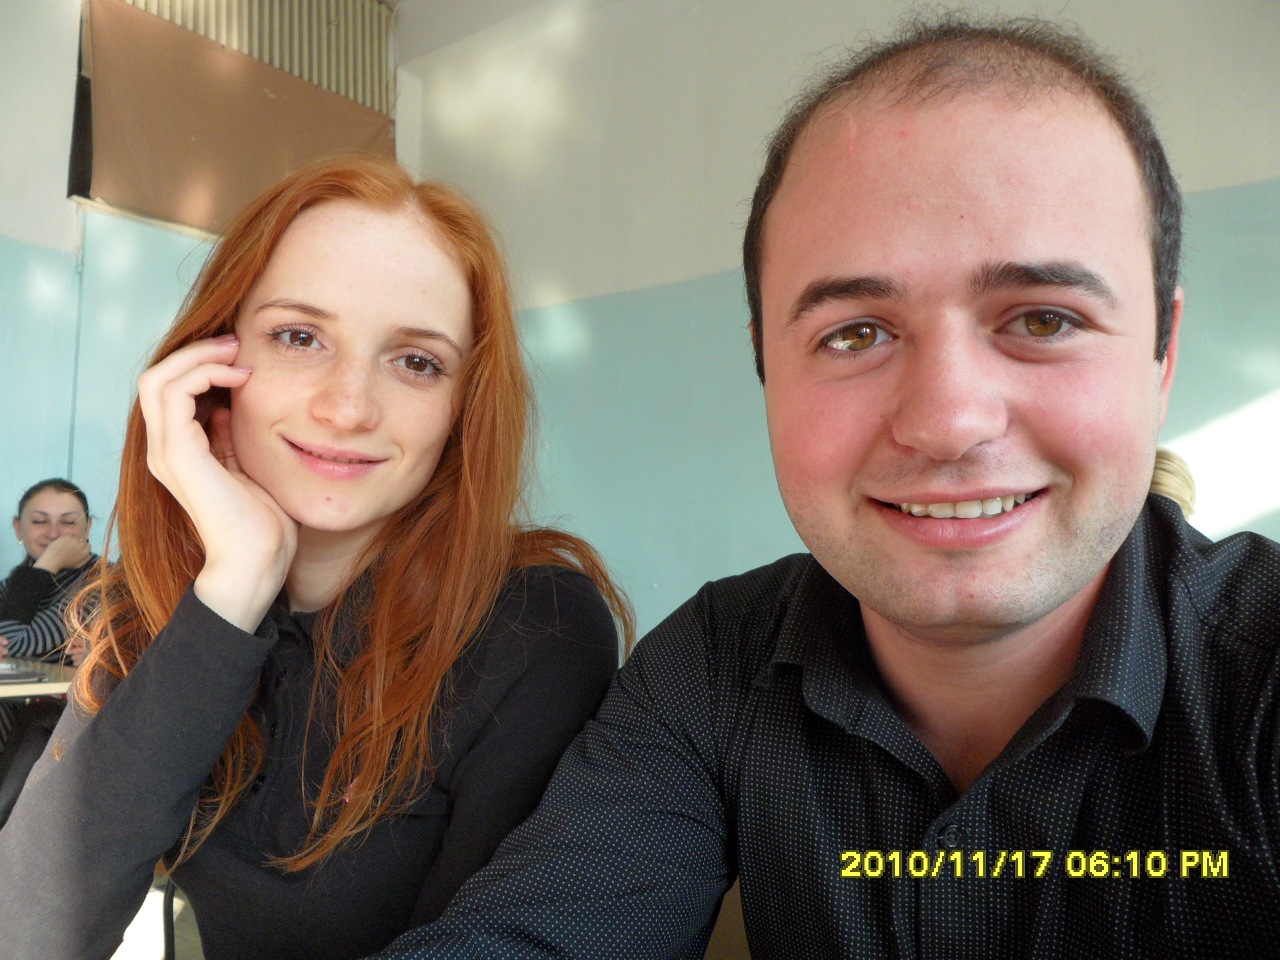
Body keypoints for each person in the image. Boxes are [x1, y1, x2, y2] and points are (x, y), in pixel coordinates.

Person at [369, 13, 1280, 959]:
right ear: (766, 367)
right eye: (855, 333)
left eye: (1044, 320)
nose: (948, 420)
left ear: (1162, 356)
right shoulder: (714, 669)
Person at [0, 156, 631, 960]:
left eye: (416, 361)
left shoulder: (532, 625)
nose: (348, 407)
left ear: (461, 408)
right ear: (214, 367)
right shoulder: (169, 602)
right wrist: (238, 579)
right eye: (299, 337)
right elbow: (28, 935)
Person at [0, 479, 97, 823]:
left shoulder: (100, 581)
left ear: (88, 527)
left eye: (68, 522)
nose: (54, 533)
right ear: (18, 528)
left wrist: (47, 563)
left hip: (69, 717)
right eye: (40, 521)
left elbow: (16, 644)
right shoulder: (15, 583)